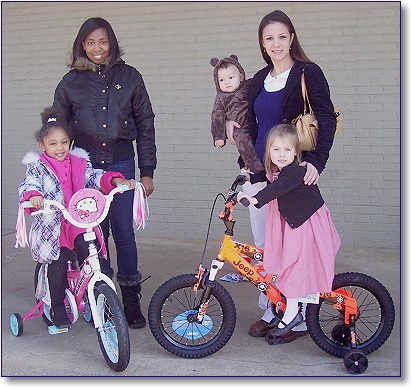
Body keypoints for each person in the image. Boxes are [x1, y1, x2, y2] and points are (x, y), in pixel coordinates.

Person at [226, 10, 337, 342]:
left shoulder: (308, 73)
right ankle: (272, 308)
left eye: (281, 36)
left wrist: (316, 161)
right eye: (268, 38)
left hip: (291, 177)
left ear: (292, 38)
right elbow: (252, 124)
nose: (275, 43)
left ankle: (300, 316)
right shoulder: (260, 78)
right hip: (260, 171)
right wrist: (242, 151)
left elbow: (326, 119)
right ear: (262, 43)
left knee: (294, 248)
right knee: (265, 246)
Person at [53, 17, 157, 329]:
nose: (97, 48)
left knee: (124, 233)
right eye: (90, 42)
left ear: (111, 42)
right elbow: (56, 131)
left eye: (102, 41)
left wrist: (148, 170)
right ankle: (104, 297)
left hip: (122, 164)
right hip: (85, 168)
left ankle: (130, 299)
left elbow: (146, 124)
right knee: (96, 236)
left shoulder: (130, 76)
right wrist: (57, 173)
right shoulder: (70, 83)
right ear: (81, 46)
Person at [18, 107, 136, 329]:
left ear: (69, 142)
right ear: (42, 146)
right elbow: (29, 185)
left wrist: (114, 182)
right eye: (53, 144)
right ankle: (57, 307)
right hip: (54, 225)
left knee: (91, 255)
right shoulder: (38, 167)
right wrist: (34, 196)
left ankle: (93, 297)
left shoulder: (80, 162)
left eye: (64, 142)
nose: (60, 148)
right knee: (59, 261)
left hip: (78, 222)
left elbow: (94, 178)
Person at [237, 124, 340, 344]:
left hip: (306, 225)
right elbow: (266, 177)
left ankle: (292, 315)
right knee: (287, 268)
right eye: (276, 150)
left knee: (292, 269)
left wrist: (255, 199)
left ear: (296, 152)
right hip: (295, 223)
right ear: (269, 152)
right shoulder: (279, 171)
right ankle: (291, 312)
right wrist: (248, 179)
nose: (281, 155)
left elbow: (276, 188)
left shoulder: (295, 171)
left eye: (286, 150)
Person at [210, 55, 263, 173]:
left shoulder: (248, 86)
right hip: (240, 128)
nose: (227, 82)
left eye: (230, 77)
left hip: (255, 122)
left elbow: (261, 83)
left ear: (240, 76)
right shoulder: (221, 98)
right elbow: (216, 116)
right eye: (222, 80)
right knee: (243, 142)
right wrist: (219, 136)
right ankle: (257, 169)